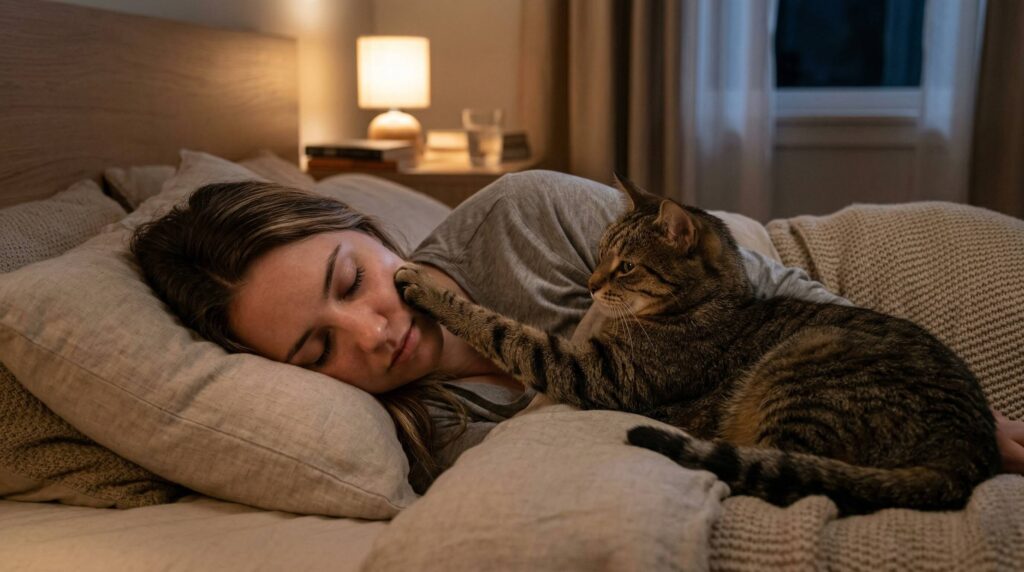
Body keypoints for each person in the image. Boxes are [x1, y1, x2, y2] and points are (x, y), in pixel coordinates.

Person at [131, 170, 1024, 490]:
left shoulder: (520, 213)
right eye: (315, 349)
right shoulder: (427, 443)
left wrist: (966, 424)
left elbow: (761, 286)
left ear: (362, 225)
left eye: (351, 278)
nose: (370, 334)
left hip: (854, 289)